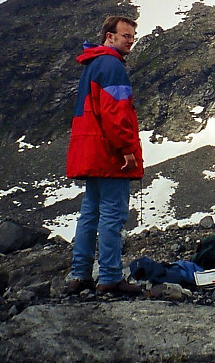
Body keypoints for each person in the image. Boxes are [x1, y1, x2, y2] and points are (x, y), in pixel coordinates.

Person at [65, 15, 144, 295]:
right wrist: (127, 150)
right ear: (109, 37)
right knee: (112, 215)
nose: (130, 41)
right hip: (109, 154)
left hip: (88, 151)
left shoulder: (92, 64)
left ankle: (80, 275)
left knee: (89, 214)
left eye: (133, 36)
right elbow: (116, 112)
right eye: (126, 36)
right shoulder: (112, 65)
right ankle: (110, 277)